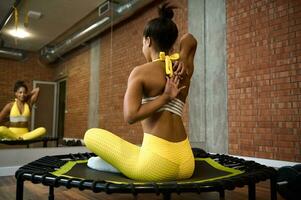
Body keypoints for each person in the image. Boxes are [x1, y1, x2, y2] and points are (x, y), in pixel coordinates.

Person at [84, 3, 197, 181]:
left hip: (158, 166)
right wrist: (182, 57)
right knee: (137, 150)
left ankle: (117, 166)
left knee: (90, 136)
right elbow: (190, 39)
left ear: (148, 40)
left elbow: (130, 116)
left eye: (142, 42)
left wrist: (165, 97)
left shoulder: (141, 72)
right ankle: (128, 161)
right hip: (186, 163)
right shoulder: (183, 68)